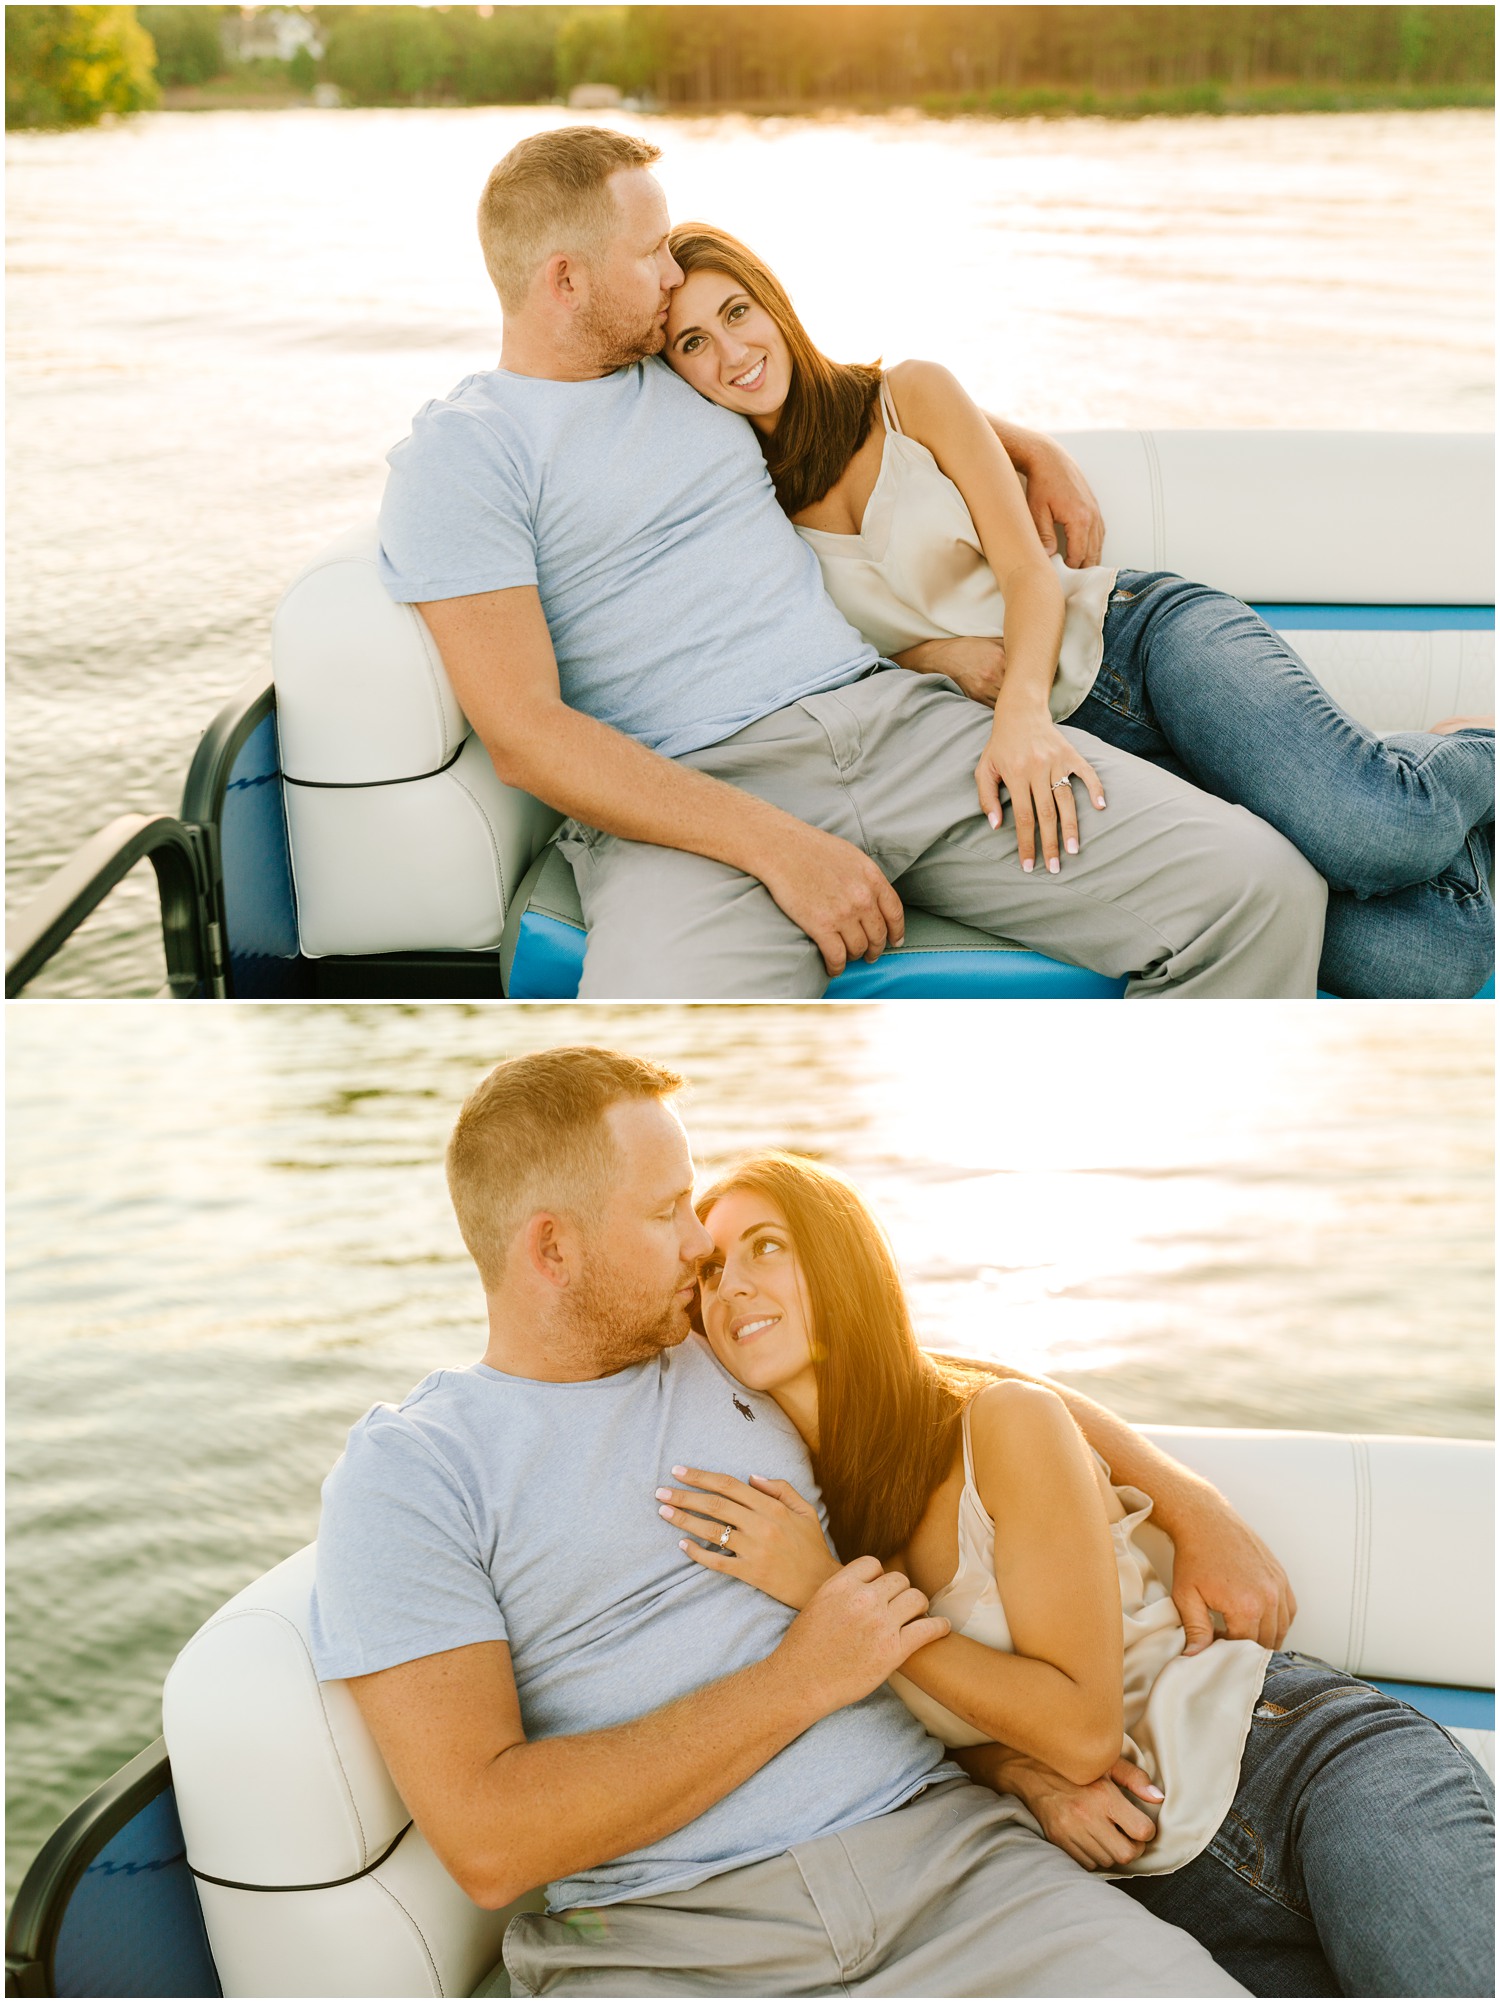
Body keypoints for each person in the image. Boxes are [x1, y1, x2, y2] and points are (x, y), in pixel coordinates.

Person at [309, 1045, 1304, 1996]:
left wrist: (1190, 1504)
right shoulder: (416, 1470)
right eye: (666, 1212)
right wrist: (802, 1675)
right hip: (664, 1941)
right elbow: (489, 1842)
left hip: (953, 1867)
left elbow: (943, 1384)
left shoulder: (716, 1346)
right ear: (553, 1247)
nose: (703, 1244)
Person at [378, 125, 1328, 999]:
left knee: (1259, 890)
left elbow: (824, 392)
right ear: (566, 281)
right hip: (693, 801)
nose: (674, 274)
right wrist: (781, 847)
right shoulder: (467, 452)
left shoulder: (675, 371)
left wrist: (1014, 442)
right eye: (650, 252)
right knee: (669, 1043)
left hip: (900, 727)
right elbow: (526, 734)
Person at [667, 1149, 1495, 1997]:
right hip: (1152, 1894)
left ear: (841, 1265)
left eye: (767, 1245)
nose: (730, 1282)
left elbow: (1083, 1731)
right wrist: (1013, 1772)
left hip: (1297, 1773)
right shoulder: (802, 1516)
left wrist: (826, 1596)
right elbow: (923, 1732)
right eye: (711, 1267)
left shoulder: (992, 1428)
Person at [660, 224, 1495, 1002]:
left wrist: (1020, 706)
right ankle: (1407, 773)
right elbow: (827, 668)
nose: (732, 351)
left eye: (738, 311)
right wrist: (935, 657)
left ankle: (1470, 747)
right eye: (694, 342)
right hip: (1067, 758)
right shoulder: (739, 506)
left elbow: (1027, 569)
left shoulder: (908, 394)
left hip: (1137, 646)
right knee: (1429, 957)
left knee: (1380, 829)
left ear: (773, 303)